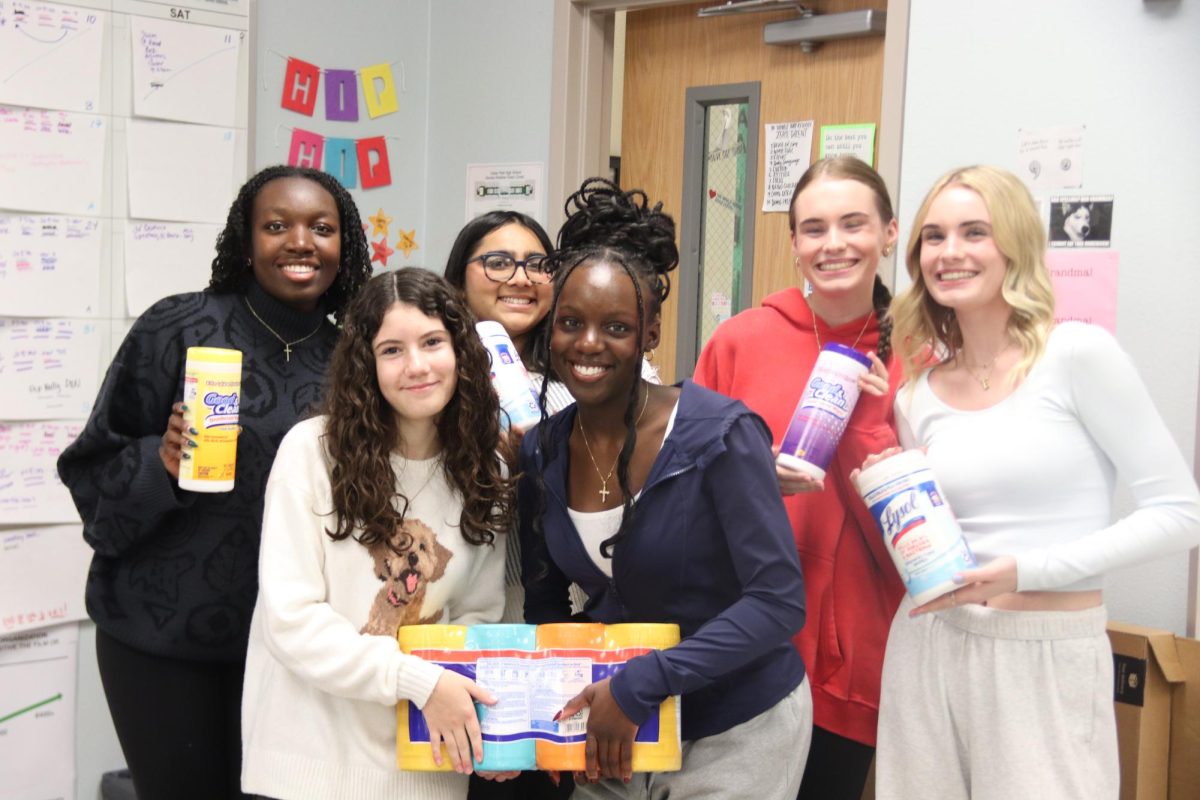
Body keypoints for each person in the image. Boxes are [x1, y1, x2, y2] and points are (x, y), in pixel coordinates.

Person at [869, 165, 1200, 799]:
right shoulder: (917, 394)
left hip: (1045, 653)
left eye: (974, 232)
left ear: (1015, 245)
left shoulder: (1077, 355)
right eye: (933, 237)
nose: (951, 252)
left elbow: (1181, 512)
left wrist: (1028, 569)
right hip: (928, 648)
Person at [57, 165, 371, 800]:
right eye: (276, 226)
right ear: (245, 239)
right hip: (164, 638)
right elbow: (89, 467)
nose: (300, 242)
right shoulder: (180, 326)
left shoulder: (356, 359)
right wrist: (161, 463)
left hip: (295, 648)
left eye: (322, 228)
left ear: (347, 245)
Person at [520, 178, 811, 799]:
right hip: (616, 723)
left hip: (734, 722)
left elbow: (779, 601)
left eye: (616, 327)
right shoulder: (542, 449)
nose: (588, 345)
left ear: (650, 333)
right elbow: (545, 602)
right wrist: (553, 711)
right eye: (570, 323)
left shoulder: (720, 435)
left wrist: (646, 681)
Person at [240, 268, 516, 799]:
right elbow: (291, 620)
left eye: (433, 342)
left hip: (426, 769)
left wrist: (485, 725)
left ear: (460, 350)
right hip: (309, 769)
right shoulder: (312, 452)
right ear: (367, 364)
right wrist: (420, 681)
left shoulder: (485, 469)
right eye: (392, 350)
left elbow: (479, 617)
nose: (416, 366)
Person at [693, 156, 904, 800]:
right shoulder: (740, 340)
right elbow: (685, 488)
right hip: (741, 644)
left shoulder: (917, 355)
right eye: (814, 228)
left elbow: (918, 538)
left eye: (853, 224)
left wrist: (867, 429)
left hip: (854, 653)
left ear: (889, 234)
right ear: (793, 244)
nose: (833, 244)